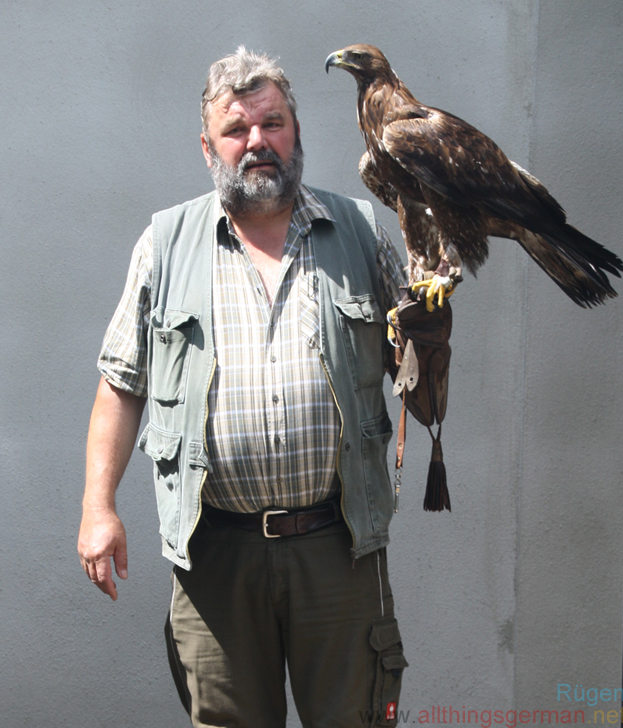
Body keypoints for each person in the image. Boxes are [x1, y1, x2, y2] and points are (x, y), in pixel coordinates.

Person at [78, 47, 410, 728]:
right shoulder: (165, 244)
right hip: (216, 556)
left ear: (295, 129)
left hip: (338, 545)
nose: (257, 142)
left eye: (273, 123)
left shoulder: (362, 231)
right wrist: (97, 507)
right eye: (237, 130)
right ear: (209, 146)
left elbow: (419, 373)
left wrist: (432, 344)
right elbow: (121, 384)